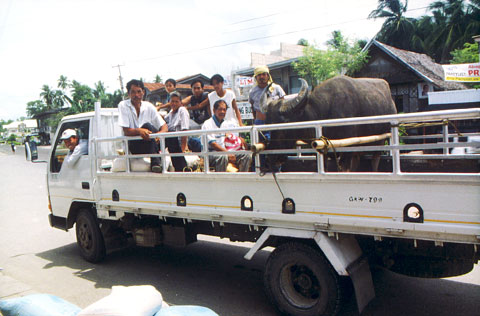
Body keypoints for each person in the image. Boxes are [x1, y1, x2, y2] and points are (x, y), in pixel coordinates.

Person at [118, 79, 168, 173]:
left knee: (171, 137)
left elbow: (164, 126)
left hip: (150, 142)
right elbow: (126, 131)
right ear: (128, 94)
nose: (136, 95)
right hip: (134, 145)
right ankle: (156, 163)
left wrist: (158, 135)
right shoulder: (123, 105)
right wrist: (139, 131)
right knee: (148, 126)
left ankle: (182, 167)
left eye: (139, 91)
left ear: (143, 92)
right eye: (133, 92)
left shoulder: (148, 106)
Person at [202, 100, 251, 172]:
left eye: (224, 110)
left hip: (224, 151)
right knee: (223, 157)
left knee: (246, 155)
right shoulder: (208, 124)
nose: (222, 112)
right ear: (214, 110)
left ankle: (241, 179)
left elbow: (228, 139)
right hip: (210, 153)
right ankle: (221, 181)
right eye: (220, 109)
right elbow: (213, 144)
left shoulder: (224, 124)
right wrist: (227, 153)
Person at [164, 91, 189, 171]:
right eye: (172, 101)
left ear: (180, 102)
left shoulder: (182, 110)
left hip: (178, 142)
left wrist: (182, 150)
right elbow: (163, 120)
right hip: (170, 141)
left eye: (176, 101)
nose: (174, 104)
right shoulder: (171, 112)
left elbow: (184, 130)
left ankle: (183, 169)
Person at [182, 79, 209, 152]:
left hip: (207, 123)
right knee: (184, 124)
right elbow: (180, 103)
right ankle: (185, 147)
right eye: (194, 88)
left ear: (202, 89)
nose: (196, 90)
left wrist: (188, 107)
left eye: (198, 88)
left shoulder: (207, 96)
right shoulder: (192, 97)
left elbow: (200, 106)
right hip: (196, 124)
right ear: (192, 89)